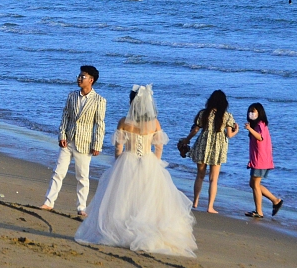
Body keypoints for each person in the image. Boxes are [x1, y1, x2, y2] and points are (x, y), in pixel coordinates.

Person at [75, 85, 196, 256]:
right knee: (147, 199)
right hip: (148, 161)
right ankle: (144, 230)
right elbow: (159, 147)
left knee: (124, 198)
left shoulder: (124, 122)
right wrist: (155, 162)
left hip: (128, 160)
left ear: (132, 102)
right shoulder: (154, 123)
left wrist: (118, 163)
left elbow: (119, 147)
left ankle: (121, 231)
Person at [41, 65, 106, 217]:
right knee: (58, 172)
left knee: (82, 176)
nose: (79, 78)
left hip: (85, 143)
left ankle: (81, 207)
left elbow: (100, 124)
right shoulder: (72, 96)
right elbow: (65, 117)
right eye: (79, 76)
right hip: (68, 140)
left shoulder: (99, 100)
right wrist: (62, 135)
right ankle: (49, 202)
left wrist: (97, 145)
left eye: (83, 76)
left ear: (91, 80)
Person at [183, 90, 239, 213]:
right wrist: (237, 131)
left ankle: (196, 202)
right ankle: (210, 207)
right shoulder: (227, 116)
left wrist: (186, 140)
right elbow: (229, 135)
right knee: (214, 179)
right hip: (218, 148)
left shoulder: (203, 113)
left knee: (200, 175)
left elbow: (195, 130)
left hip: (203, 145)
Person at [244, 103, 284, 218]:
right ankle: (275, 201)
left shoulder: (260, 124)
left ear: (259, 113)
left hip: (260, 160)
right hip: (259, 159)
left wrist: (250, 129)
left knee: (255, 184)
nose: (251, 113)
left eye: (254, 111)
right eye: (250, 111)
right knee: (253, 183)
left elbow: (260, 137)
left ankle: (259, 211)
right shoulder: (256, 124)